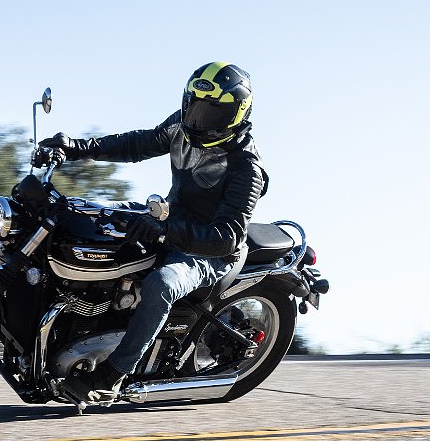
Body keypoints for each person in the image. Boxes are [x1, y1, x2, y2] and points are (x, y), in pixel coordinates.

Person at [39, 61, 267, 404]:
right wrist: (75, 147)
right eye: (195, 108)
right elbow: (137, 144)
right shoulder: (181, 126)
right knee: (81, 217)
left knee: (162, 285)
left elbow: (227, 236)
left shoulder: (247, 168)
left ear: (236, 114)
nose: (198, 120)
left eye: (212, 114)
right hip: (167, 219)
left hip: (208, 251)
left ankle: (111, 375)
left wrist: (166, 230)